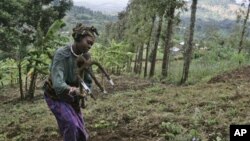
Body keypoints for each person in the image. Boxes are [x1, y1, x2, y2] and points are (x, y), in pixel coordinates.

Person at [43, 23, 98, 141]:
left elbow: (88, 82)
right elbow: (58, 83)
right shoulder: (62, 54)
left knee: (82, 133)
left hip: (72, 98)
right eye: (88, 42)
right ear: (78, 38)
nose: (89, 46)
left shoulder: (86, 58)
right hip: (55, 95)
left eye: (91, 44)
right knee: (71, 125)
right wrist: (71, 89)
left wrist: (86, 92)